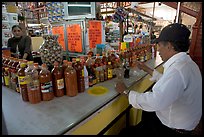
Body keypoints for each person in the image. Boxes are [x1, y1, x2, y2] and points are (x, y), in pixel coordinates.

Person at [115, 23, 202, 136]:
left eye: (159, 45)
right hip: (183, 120)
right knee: (147, 114)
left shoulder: (178, 70)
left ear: (169, 46)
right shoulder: (187, 63)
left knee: (126, 133)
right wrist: (147, 69)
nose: (158, 49)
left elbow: (155, 101)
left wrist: (126, 92)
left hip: (175, 129)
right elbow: (169, 85)